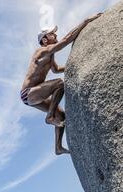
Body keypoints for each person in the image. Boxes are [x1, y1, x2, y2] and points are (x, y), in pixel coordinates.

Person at [20, 13, 102, 155]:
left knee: (62, 115)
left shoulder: (50, 56)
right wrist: (86, 21)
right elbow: (65, 40)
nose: (56, 36)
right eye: (52, 34)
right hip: (28, 93)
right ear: (45, 39)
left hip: (33, 96)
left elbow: (56, 69)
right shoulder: (41, 51)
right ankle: (50, 116)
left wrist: (75, 65)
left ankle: (58, 147)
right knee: (59, 83)